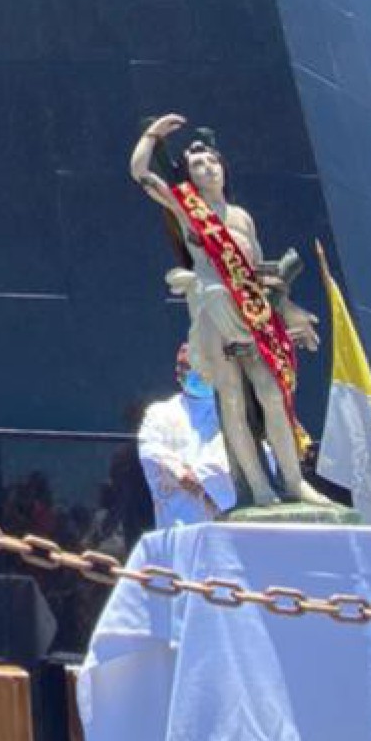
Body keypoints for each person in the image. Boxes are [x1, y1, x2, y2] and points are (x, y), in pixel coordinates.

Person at [129, 114, 328, 509]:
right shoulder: (187, 207)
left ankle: (294, 481)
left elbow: (259, 273)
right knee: (232, 399)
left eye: (212, 162)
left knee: (272, 394)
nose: (207, 169)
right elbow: (140, 173)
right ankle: (258, 487)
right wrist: (152, 134)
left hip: (251, 311)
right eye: (197, 164)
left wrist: (289, 312)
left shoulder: (241, 217)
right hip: (214, 309)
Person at [136, 343, 237, 528]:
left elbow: (246, 458)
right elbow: (152, 453)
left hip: (225, 523)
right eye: (184, 367)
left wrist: (206, 483)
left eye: (197, 366)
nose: (191, 372)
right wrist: (182, 474)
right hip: (178, 524)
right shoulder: (160, 413)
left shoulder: (234, 413)